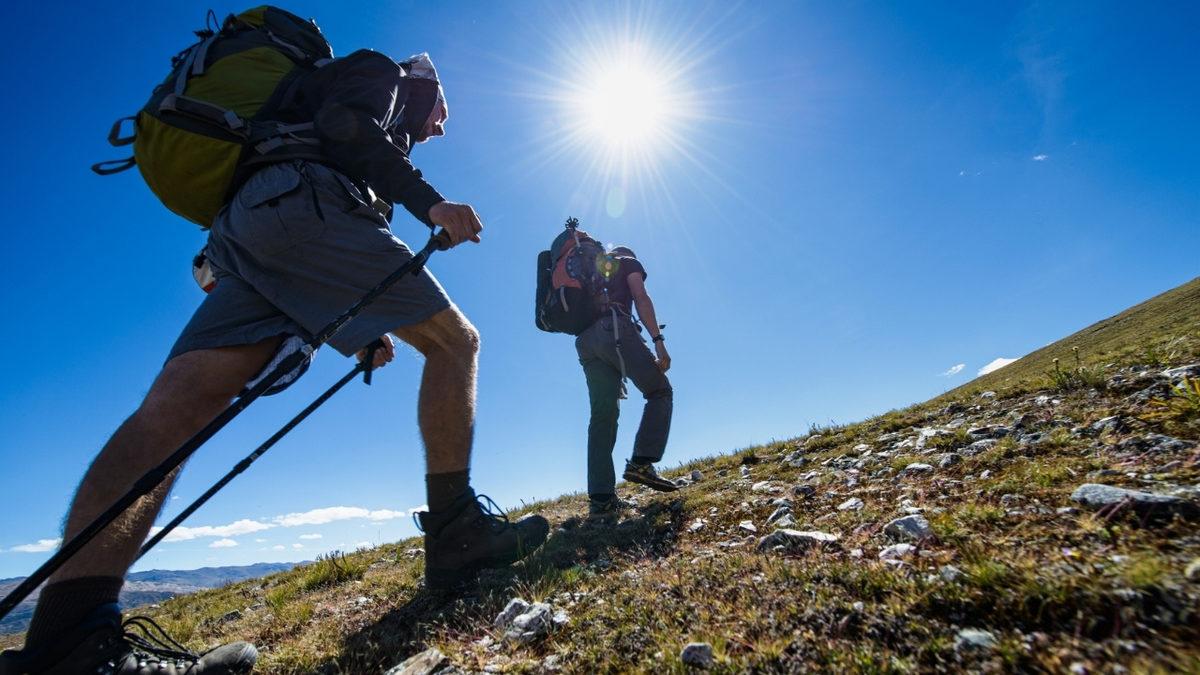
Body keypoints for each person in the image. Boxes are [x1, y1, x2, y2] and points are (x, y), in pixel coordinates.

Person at [0, 45, 548, 675]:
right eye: (442, 113)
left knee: (172, 412)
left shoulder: (304, 104)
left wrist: (361, 327)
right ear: (425, 84)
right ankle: (457, 534)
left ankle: (68, 641)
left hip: (248, 227)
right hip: (305, 202)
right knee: (456, 342)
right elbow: (349, 126)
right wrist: (431, 202)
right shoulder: (386, 73)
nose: (440, 128)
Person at [572, 236, 677, 518]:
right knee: (659, 391)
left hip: (585, 343)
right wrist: (658, 341)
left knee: (602, 416)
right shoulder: (627, 261)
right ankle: (642, 462)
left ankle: (601, 500)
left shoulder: (589, 271)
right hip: (614, 330)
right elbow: (640, 297)